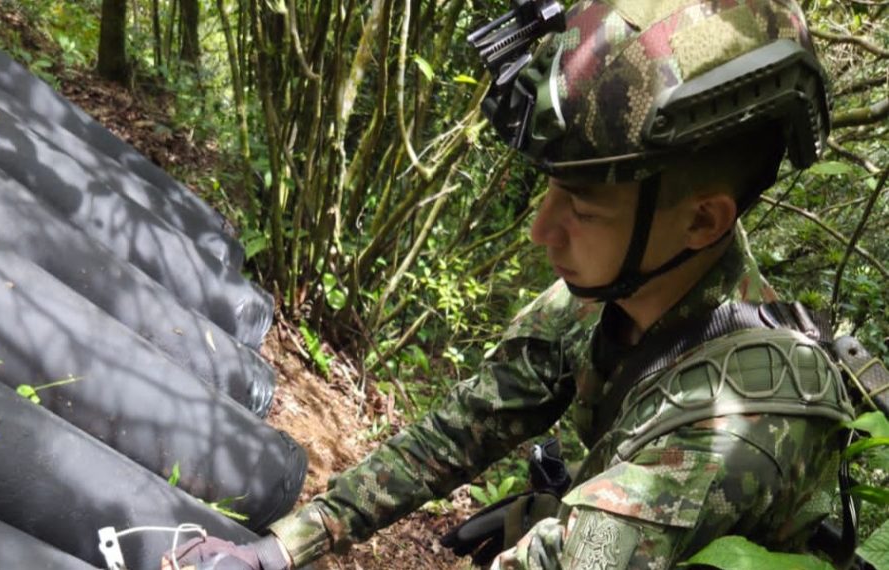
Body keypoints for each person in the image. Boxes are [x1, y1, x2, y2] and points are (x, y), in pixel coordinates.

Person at [168, 0, 856, 567]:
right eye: (551, 191)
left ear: (702, 222)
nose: (541, 230)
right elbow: (461, 429)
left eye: (582, 207)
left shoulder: (742, 422)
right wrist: (284, 548)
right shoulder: (603, 296)